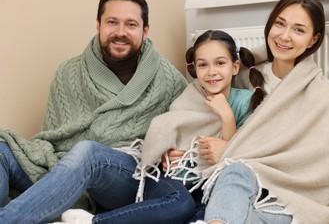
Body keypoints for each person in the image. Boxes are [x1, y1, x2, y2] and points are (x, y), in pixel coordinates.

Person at [0, 0, 193, 224]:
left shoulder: (168, 79)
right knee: (2, 150)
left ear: (145, 30)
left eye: (131, 24)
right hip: (67, 169)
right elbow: (52, 138)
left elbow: (189, 129)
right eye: (112, 22)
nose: (120, 32)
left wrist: (174, 149)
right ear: (98, 25)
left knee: (89, 152)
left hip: (125, 175)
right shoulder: (68, 72)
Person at [194, 0, 329, 224]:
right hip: (243, 184)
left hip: (292, 195)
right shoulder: (243, 75)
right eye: (280, 24)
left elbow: (319, 165)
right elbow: (200, 110)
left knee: (236, 187)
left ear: (313, 39)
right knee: (234, 179)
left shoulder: (320, 94)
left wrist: (230, 152)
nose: (284, 36)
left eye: (299, 30)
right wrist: (179, 145)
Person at [59, 29, 265, 223]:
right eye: (203, 65)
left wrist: (227, 117)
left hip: (206, 188)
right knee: (179, 202)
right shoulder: (189, 97)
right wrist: (165, 154)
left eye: (220, 63)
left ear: (235, 66)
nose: (212, 72)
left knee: (196, 210)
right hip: (172, 181)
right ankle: (91, 220)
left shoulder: (246, 101)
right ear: (194, 69)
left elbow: (241, 156)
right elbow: (165, 130)